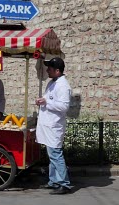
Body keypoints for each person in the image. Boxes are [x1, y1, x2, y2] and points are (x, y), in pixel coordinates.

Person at [35, 57, 72, 195]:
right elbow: (49, 99)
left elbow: (63, 106)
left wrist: (45, 102)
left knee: (56, 154)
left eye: (49, 68)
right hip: (49, 124)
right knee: (52, 154)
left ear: (57, 71)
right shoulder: (52, 82)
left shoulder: (63, 86)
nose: (47, 70)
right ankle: (54, 181)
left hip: (54, 125)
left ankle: (64, 183)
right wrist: (43, 101)